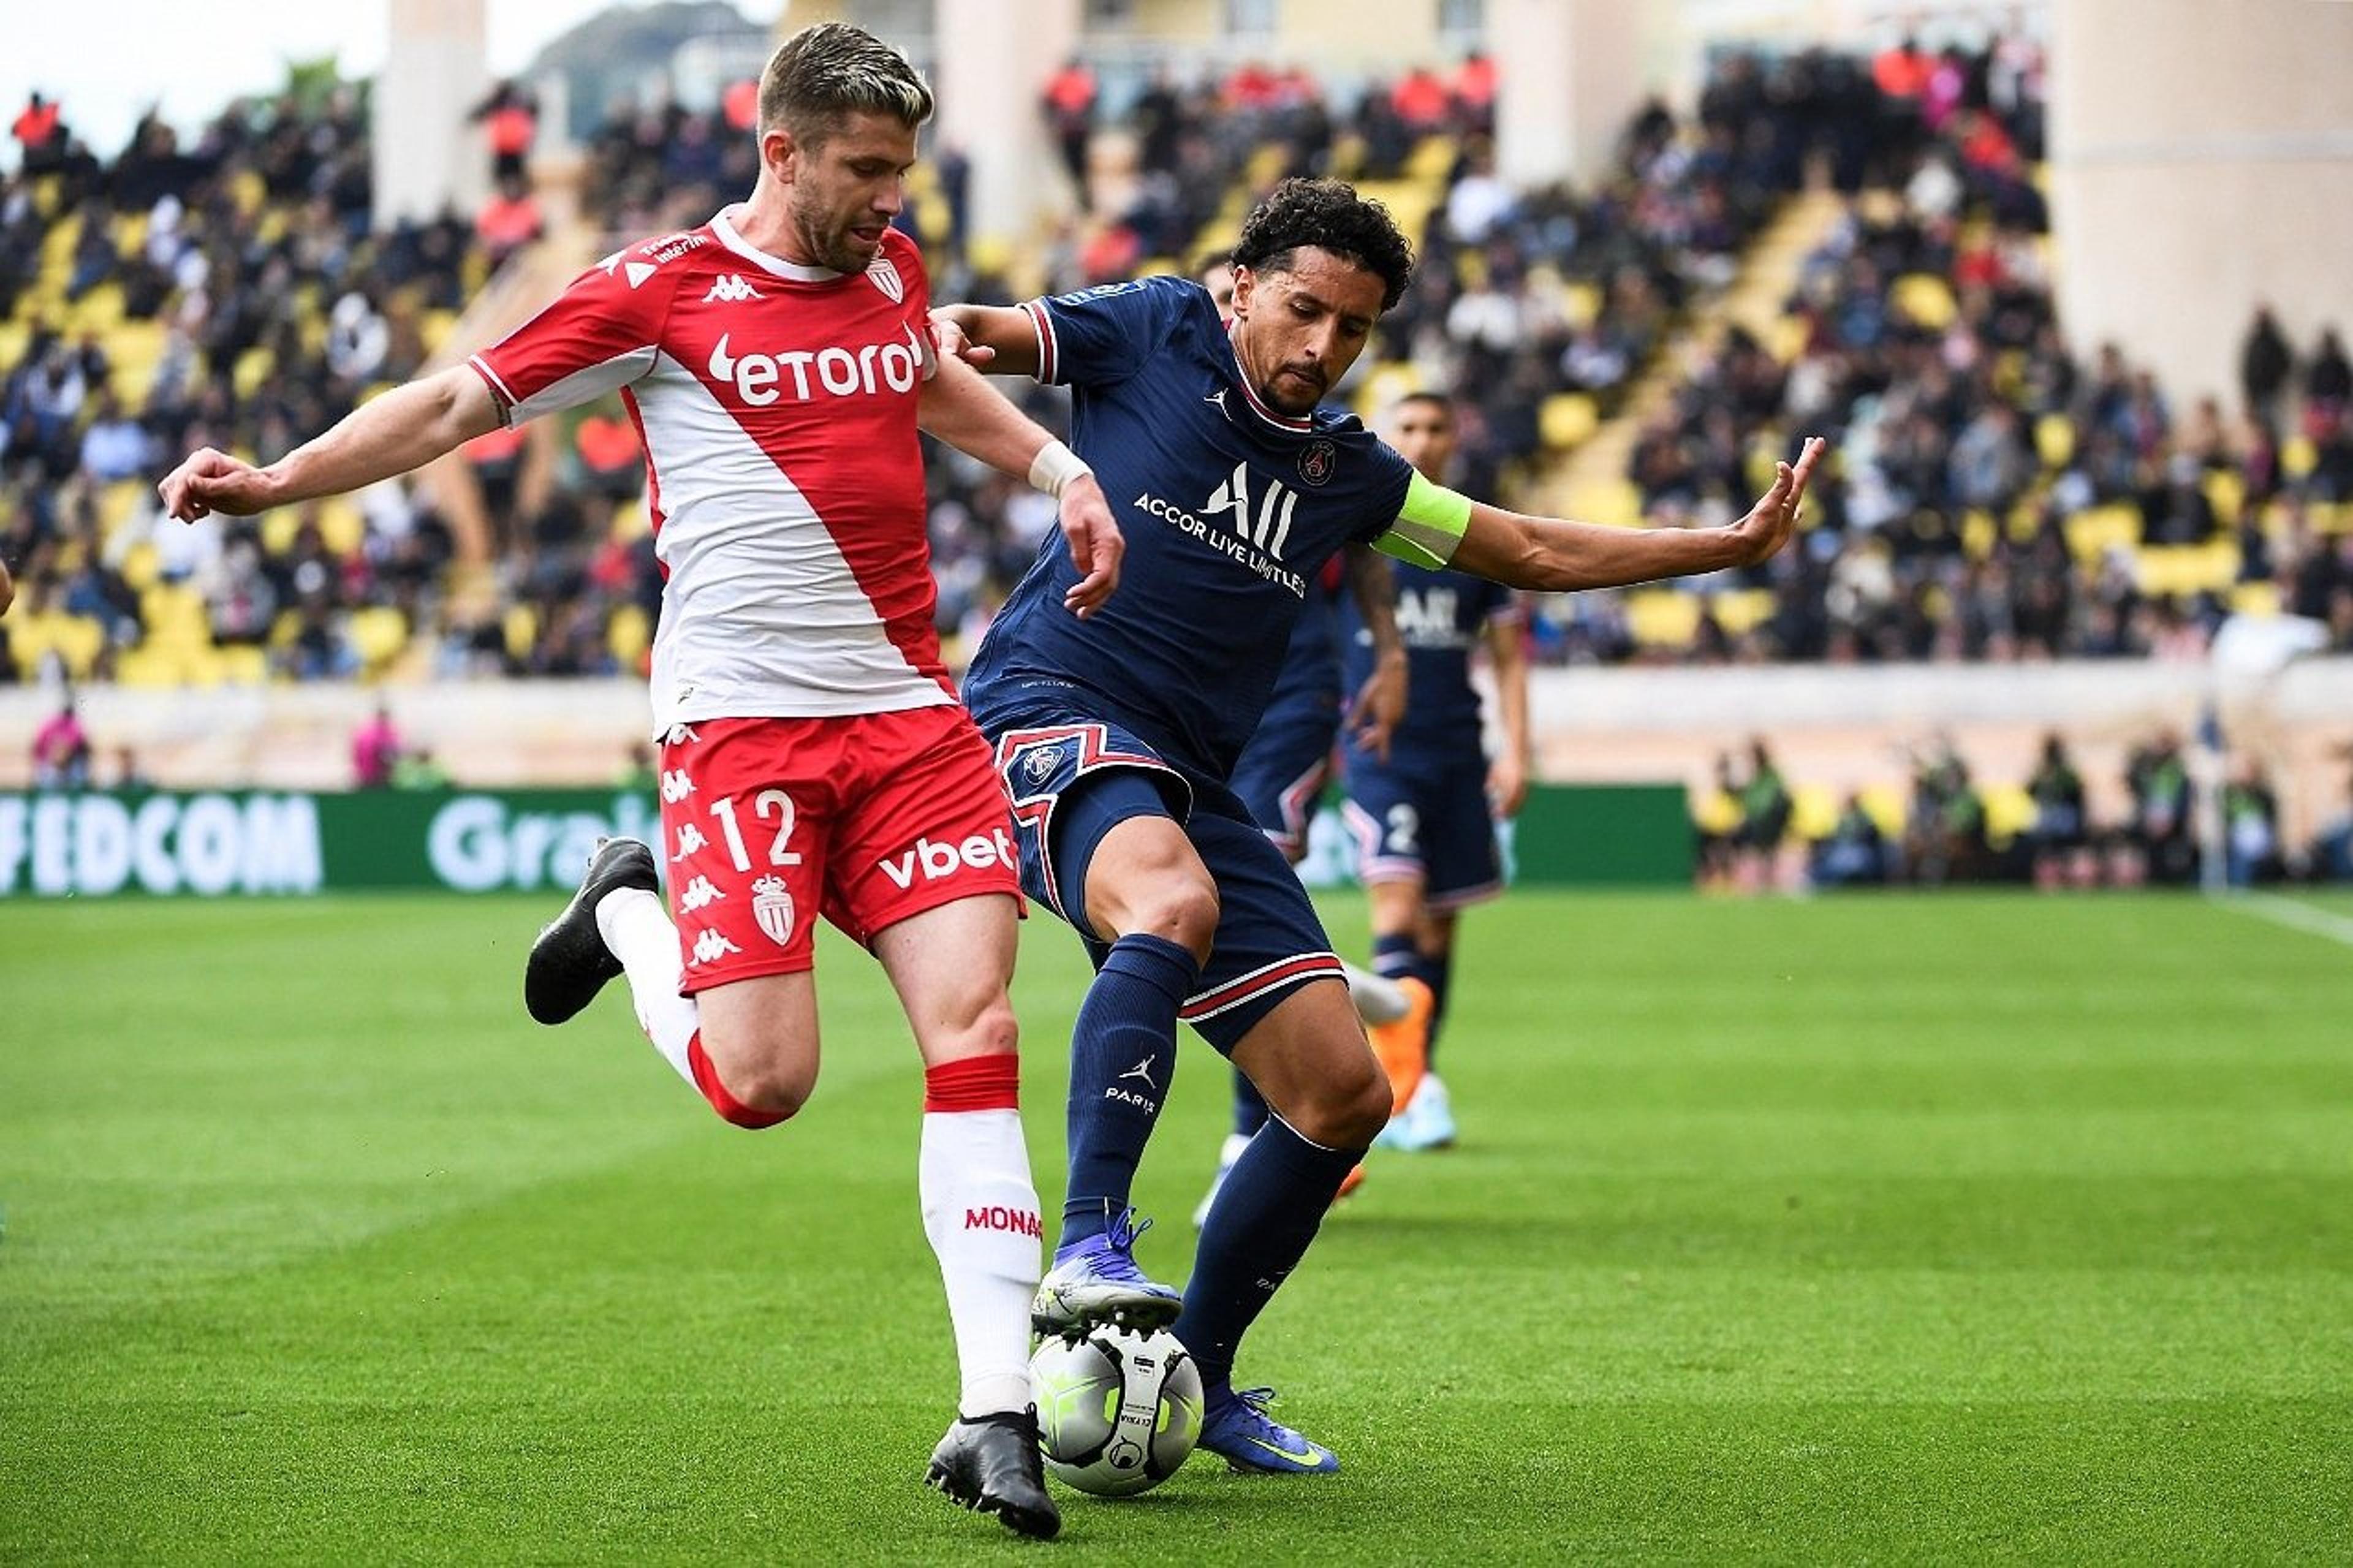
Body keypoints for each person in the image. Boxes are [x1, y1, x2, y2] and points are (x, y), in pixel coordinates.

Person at [159, 24, 1130, 1542]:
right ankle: (628, 912)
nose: (888, 197)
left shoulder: (892, 270)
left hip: (908, 724)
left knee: (978, 1024)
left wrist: (1055, 470)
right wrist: (281, 479)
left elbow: (927, 384)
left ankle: (993, 1408)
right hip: (740, 734)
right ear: (781, 148)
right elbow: (448, 405)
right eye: (863, 170)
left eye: (902, 172)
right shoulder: (652, 293)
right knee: (763, 1084)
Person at [934, 176, 1821, 1473]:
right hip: (1047, 705)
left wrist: (1720, 550)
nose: (1322, 348)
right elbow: (980, 334)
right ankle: (1088, 1243)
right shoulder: (1159, 328)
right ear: (1242, 287)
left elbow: (1521, 548)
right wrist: (944, 336)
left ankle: (1209, 1377)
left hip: (1191, 772)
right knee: (1168, 906)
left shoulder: (1346, 473)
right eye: (1303, 310)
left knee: (1345, 1092)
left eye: (1353, 328)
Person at [1197, 249, 1412, 1225]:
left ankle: (1255, 1133)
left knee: (1237, 864)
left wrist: (1391, 652)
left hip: (1293, 677)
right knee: (1151, 900)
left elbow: (1370, 543)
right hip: (1182, 683)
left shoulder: (1328, 448)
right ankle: (1323, 975)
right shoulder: (1166, 412)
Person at [1336, 390, 1533, 1156]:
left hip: (1458, 749)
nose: (1423, 439)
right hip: (1382, 752)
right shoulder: (1356, 529)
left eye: (1436, 427)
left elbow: (1510, 660)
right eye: (1408, 427)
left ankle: (1421, 1081)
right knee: (1398, 899)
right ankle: (1389, 1079)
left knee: (1441, 922)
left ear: (1455, 437)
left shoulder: (1474, 537)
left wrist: (1518, 749)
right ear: (1389, 436)